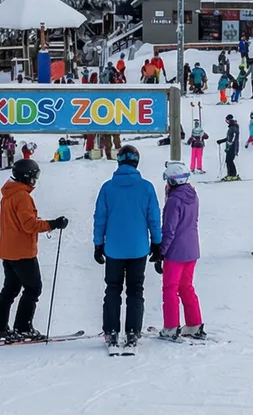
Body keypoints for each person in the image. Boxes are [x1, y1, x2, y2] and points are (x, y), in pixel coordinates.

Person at [0, 158, 67, 342]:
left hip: (9, 250)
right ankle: (23, 327)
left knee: (10, 289)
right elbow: (29, 225)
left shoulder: (8, 194)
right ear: (26, 177)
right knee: (33, 288)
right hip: (22, 252)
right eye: (34, 176)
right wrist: (53, 224)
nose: (35, 180)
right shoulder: (22, 196)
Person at [93, 144, 163, 351]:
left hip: (113, 248)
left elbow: (100, 218)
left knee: (112, 289)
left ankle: (111, 330)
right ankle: (133, 331)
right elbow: (154, 218)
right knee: (135, 290)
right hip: (138, 248)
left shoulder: (107, 187)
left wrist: (98, 244)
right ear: (136, 162)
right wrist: (157, 243)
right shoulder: (146, 187)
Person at [158, 161, 202, 339]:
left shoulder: (174, 201)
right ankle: (194, 324)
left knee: (170, 288)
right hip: (192, 249)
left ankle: (171, 326)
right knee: (186, 287)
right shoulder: (193, 196)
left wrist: (161, 251)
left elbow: (169, 229)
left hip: (176, 251)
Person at [219, 115, 241, 181]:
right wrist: (221, 141)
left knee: (230, 161)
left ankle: (233, 175)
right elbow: (229, 138)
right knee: (228, 161)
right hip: (230, 147)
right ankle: (230, 174)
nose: (226, 122)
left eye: (227, 120)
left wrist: (230, 145)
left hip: (232, 147)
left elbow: (234, 137)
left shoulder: (234, 127)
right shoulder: (232, 127)